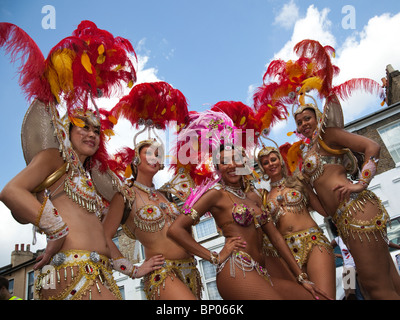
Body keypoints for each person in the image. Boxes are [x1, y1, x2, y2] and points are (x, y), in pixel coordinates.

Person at [0, 21, 138, 300]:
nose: (92, 134)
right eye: (83, 127)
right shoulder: (53, 158)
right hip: (71, 270)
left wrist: (133, 270)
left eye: (97, 130)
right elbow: (10, 192)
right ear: (66, 130)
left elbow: (102, 233)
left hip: (100, 273)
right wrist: (56, 231)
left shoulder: (85, 178)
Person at [257, 39, 400, 299]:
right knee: (385, 283)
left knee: (376, 287)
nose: (303, 125)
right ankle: (350, 293)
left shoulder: (328, 134)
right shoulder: (309, 153)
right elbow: (318, 202)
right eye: (299, 123)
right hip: (344, 221)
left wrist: (361, 183)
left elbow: (372, 148)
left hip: (356, 209)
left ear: (318, 117)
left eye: (307, 119)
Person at [168, 110, 330, 300]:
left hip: (261, 273)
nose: (231, 165)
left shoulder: (253, 197)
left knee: (315, 297)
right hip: (237, 269)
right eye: (224, 162)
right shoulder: (215, 194)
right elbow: (176, 229)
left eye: (235, 159)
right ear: (218, 168)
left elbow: (276, 239)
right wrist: (214, 256)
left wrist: (301, 277)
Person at [103, 82, 203, 300]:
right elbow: (104, 236)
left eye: (158, 155)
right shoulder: (126, 195)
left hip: (191, 271)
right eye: (149, 154)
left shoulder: (166, 195)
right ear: (136, 160)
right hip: (162, 274)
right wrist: (133, 269)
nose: (155, 158)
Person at [257, 142, 336, 299]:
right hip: (287, 253)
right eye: (266, 162)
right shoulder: (264, 196)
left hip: (313, 241)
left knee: (325, 296)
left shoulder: (298, 182)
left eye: (273, 159)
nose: (271, 164)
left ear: (280, 160)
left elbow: (324, 210)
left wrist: (332, 185)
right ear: (262, 169)